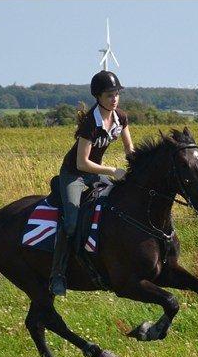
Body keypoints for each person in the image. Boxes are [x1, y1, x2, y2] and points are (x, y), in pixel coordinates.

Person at [49, 70, 135, 296]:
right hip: (74, 174)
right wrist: (113, 171)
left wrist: (138, 169)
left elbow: (130, 150)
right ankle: (58, 274)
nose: (114, 99)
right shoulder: (90, 122)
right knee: (71, 223)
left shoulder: (121, 117)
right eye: (109, 95)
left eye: (116, 94)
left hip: (95, 172)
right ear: (98, 97)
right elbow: (82, 163)